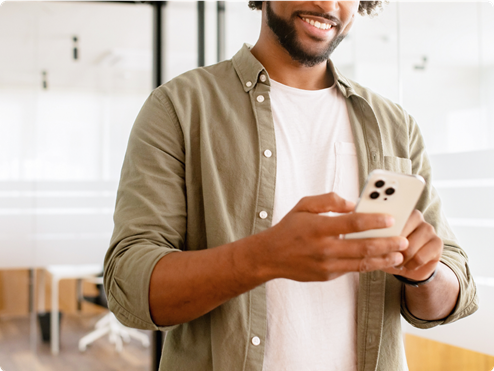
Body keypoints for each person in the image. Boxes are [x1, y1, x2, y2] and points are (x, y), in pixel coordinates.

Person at [104, 0, 478, 369]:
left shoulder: (395, 124)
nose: (328, 3)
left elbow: (451, 291)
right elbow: (130, 286)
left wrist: (423, 274)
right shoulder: (179, 107)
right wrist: (264, 257)